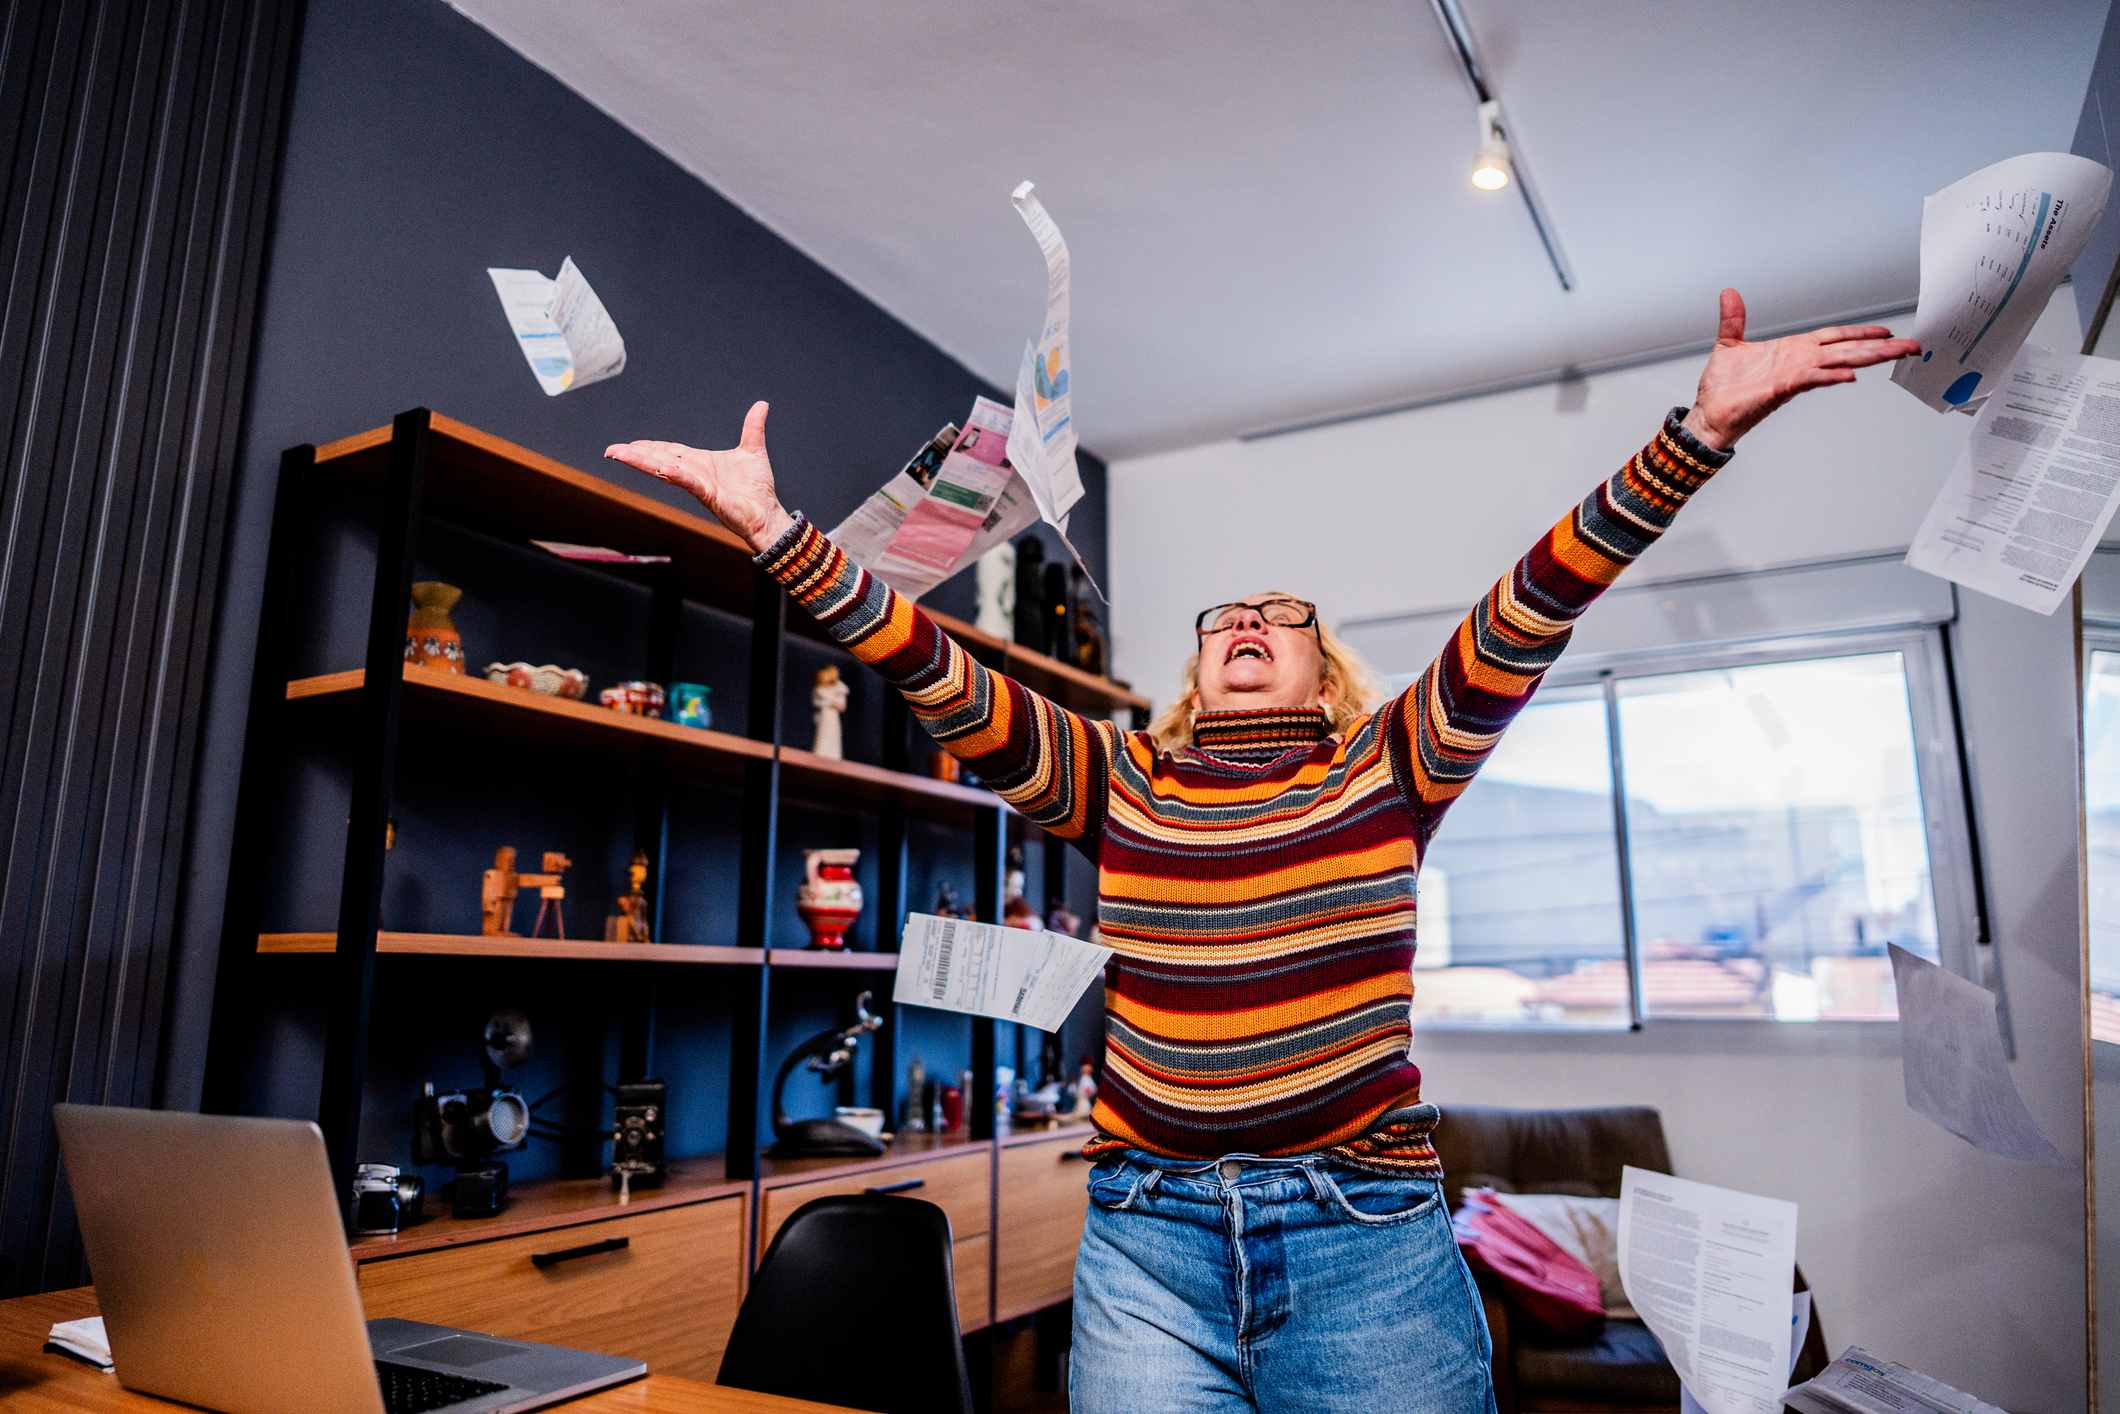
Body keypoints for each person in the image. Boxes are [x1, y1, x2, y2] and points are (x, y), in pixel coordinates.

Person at [607, 291, 1917, 1413]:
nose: (1246, 618)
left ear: (1322, 665)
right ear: (1196, 669)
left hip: (1367, 1246)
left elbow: (1537, 598)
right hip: (1144, 1244)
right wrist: (782, 535)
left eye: (1277, 614)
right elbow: (936, 670)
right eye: (1225, 615)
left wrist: (1693, 437)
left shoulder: (1390, 763)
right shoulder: (1121, 781)